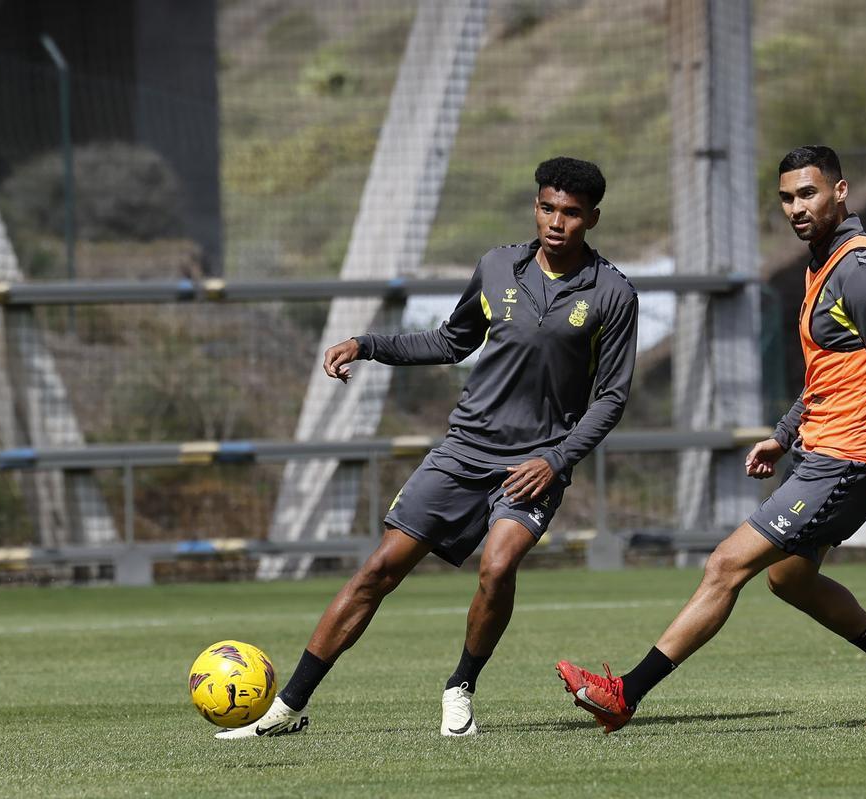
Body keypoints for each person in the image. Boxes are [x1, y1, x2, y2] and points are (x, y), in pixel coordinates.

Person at [218, 156, 639, 740]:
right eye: (547, 208)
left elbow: (611, 398)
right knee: (377, 570)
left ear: (591, 217)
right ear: (535, 206)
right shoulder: (497, 267)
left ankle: (461, 686)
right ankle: (286, 709)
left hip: (533, 463)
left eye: (571, 212)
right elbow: (450, 340)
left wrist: (556, 459)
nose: (556, 222)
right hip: (463, 449)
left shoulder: (613, 293)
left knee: (497, 566)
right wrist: (367, 344)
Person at [556, 145, 866, 733]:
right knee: (788, 578)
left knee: (725, 565)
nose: (795, 207)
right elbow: (830, 371)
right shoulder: (826, 262)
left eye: (807, 193)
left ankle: (624, 693)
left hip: (849, 460)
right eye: (786, 197)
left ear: (840, 191)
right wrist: (784, 436)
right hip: (822, 451)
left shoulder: (861, 269)